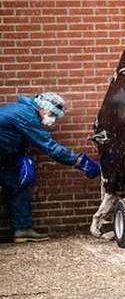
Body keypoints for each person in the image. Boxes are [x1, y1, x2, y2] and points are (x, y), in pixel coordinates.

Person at [0, 92, 100, 243]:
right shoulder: (26, 115)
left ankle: (23, 230)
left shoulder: (25, 112)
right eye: (52, 114)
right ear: (43, 107)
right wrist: (78, 161)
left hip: (6, 157)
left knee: (16, 186)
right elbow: (50, 147)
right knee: (15, 185)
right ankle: (23, 229)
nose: (53, 119)